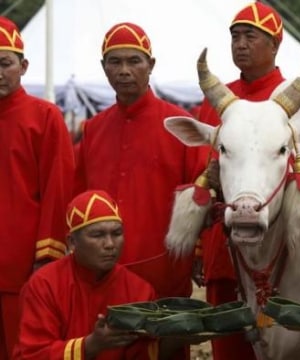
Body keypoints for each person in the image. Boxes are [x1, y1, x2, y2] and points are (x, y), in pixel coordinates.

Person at [74, 22, 208, 301]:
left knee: (165, 344)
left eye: (134, 61)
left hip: (163, 270)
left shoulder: (179, 126)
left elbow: (203, 193)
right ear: (104, 67)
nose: (124, 71)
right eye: (115, 62)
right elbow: (77, 196)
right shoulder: (93, 129)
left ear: (151, 64)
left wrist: (199, 250)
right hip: (101, 272)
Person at [194, 3, 287, 359]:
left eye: (251, 36)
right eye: (235, 36)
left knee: (278, 348)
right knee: (227, 348)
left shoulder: (292, 99)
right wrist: (201, 246)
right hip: (223, 243)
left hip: (278, 253)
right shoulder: (217, 99)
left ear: (275, 45)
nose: (240, 44)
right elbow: (201, 174)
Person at [13, 190, 182, 359]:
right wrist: (91, 345)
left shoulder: (139, 290)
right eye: (97, 235)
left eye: (116, 234)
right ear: (72, 242)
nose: (109, 244)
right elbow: (33, 354)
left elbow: (142, 353)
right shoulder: (44, 284)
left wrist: (176, 339)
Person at [0, 16, 74, 359]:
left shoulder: (44, 116)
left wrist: (47, 257)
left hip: (22, 267)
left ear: (23, 65)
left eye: (5, 63)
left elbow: (58, 191)